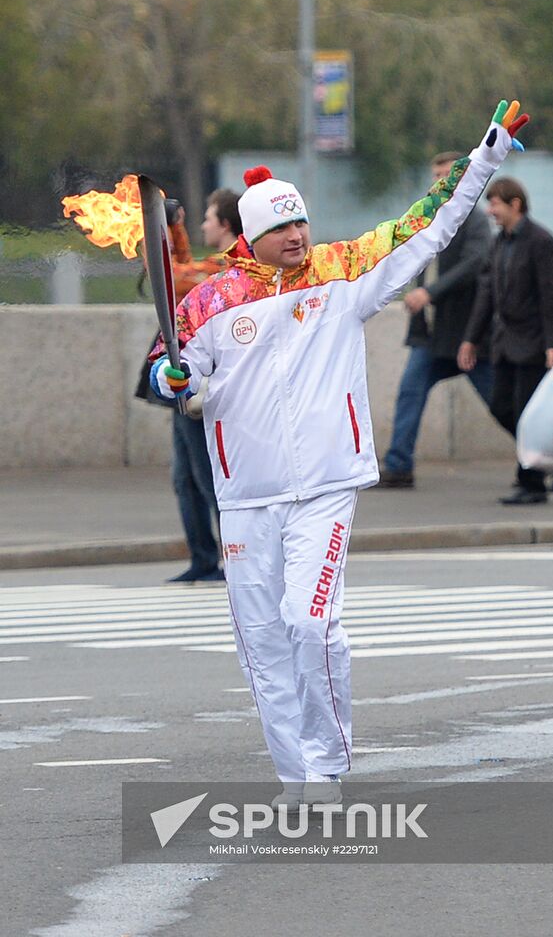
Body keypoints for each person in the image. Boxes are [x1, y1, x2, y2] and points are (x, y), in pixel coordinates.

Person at [149, 101, 528, 805]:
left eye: (301, 222)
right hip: (245, 496)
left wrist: (489, 155)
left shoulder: (344, 273)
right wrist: (173, 377)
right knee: (262, 646)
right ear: (252, 238)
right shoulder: (208, 303)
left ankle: (326, 765)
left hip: (324, 484)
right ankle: (296, 779)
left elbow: (427, 224)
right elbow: (171, 372)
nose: (297, 235)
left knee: (311, 623)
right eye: (282, 227)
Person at [135, 189, 242, 582]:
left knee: (206, 476)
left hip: (204, 382)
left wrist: (150, 232)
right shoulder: (212, 263)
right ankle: (203, 559)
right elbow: (180, 265)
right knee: (185, 477)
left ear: (226, 225)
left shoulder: (231, 267)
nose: (203, 225)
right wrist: (173, 229)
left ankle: (235, 558)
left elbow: (174, 279)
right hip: (186, 381)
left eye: (208, 218)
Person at [379, 151, 493, 488]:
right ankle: (399, 466)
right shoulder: (430, 218)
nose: (440, 181)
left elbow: (474, 264)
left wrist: (430, 294)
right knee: (410, 392)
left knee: (500, 402)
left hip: (465, 335)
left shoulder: (474, 220)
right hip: (430, 334)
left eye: (447, 173)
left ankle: (543, 457)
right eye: (436, 175)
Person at [458, 176, 553, 504]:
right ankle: (549, 460)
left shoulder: (541, 241)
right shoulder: (500, 243)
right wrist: (470, 340)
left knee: (527, 412)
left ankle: (532, 484)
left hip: (535, 344)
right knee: (501, 406)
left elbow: (552, 297)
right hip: (505, 343)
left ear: (515, 204)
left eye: (495, 204)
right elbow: (486, 296)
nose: (490, 211)